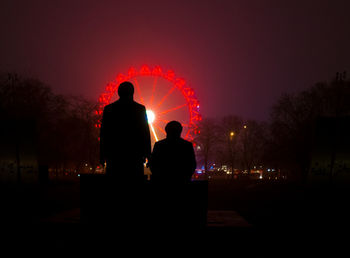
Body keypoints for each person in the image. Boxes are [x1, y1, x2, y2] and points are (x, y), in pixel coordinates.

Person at [99, 81, 151, 182]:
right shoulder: (140, 109)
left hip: (114, 155)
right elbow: (145, 134)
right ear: (132, 92)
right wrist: (148, 154)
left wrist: (102, 155)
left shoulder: (109, 109)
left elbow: (104, 134)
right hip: (135, 155)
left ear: (118, 92)